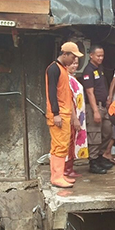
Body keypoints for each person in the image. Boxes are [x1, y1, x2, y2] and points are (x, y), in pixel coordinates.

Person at [45, 42, 83, 188]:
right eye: (72, 56)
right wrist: (56, 113)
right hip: (59, 113)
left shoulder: (62, 69)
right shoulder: (54, 69)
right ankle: (57, 177)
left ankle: (57, 175)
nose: (74, 60)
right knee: (60, 146)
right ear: (65, 54)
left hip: (65, 112)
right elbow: (52, 93)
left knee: (59, 146)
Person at [82, 45, 113, 174]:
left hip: (103, 106)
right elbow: (90, 92)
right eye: (98, 55)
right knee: (94, 134)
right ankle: (93, 162)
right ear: (91, 55)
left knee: (107, 131)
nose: (101, 58)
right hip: (94, 106)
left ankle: (100, 157)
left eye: (102, 55)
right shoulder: (88, 70)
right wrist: (95, 111)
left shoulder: (99, 69)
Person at [64, 56, 88, 178]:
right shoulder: (66, 79)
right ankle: (67, 169)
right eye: (72, 64)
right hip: (72, 116)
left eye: (76, 63)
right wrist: (74, 118)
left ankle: (69, 168)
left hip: (78, 115)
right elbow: (69, 101)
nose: (74, 66)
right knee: (70, 141)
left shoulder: (72, 78)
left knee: (73, 141)